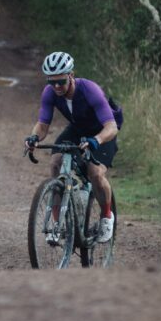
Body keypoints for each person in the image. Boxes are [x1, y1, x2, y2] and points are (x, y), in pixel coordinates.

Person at [24, 51, 119, 242]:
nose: (57, 86)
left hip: (102, 132)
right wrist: (34, 137)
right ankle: (58, 224)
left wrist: (97, 140)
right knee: (55, 163)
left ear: (71, 75)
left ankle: (107, 216)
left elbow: (112, 126)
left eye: (61, 81)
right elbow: (43, 124)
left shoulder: (90, 90)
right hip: (77, 129)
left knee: (95, 173)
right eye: (52, 82)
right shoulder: (50, 92)